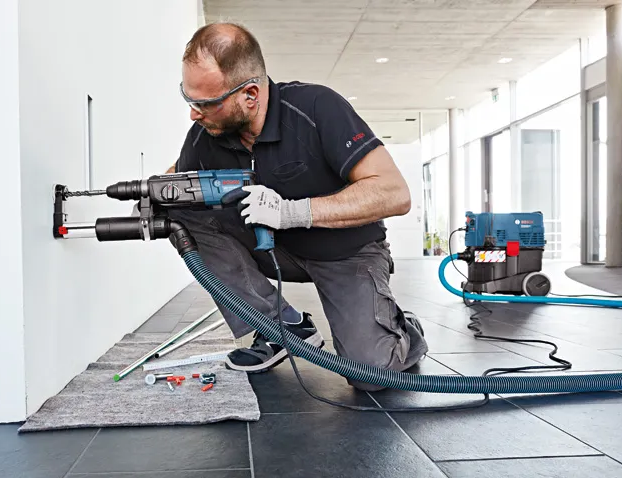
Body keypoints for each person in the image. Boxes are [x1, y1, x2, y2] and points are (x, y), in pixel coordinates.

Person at [167, 22, 427, 391]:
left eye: (207, 103)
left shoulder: (317, 107)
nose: (194, 113)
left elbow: (394, 193)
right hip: (272, 250)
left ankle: (402, 330)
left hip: (346, 253)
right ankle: (279, 327)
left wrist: (291, 211)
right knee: (179, 213)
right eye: (189, 98)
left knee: (370, 373)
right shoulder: (206, 134)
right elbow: (178, 179)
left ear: (250, 95)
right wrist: (149, 195)